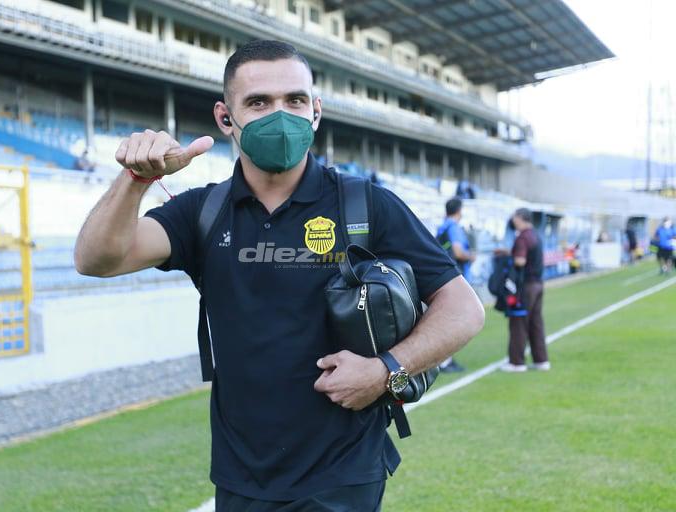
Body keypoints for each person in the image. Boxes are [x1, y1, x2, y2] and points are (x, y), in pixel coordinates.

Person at [74, 40, 484, 511]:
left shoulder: (365, 204)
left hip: (344, 474)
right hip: (240, 476)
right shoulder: (202, 211)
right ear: (226, 118)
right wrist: (136, 179)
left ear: (316, 111)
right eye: (258, 102)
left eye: (295, 100)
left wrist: (385, 371)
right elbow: (95, 259)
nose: (280, 116)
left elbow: (463, 309)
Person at [500, 208, 550, 373]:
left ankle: (516, 362)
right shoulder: (535, 235)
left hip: (525, 286)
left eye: (514, 217)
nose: (512, 220)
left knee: (518, 322)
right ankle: (541, 360)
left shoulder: (522, 237)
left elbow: (520, 261)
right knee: (536, 323)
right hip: (538, 284)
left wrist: (509, 257)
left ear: (520, 218)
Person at [436, 197, 476, 373]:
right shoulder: (454, 228)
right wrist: (471, 256)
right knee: (452, 321)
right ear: (459, 211)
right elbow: (458, 252)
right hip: (454, 279)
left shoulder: (442, 227)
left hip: (441, 278)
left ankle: (443, 360)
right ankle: (445, 362)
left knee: (444, 319)